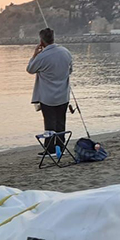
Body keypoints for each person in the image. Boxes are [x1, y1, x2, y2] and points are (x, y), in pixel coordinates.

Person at [27, 27, 73, 157]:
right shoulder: (65, 52)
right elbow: (70, 70)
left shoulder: (42, 56)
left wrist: (35, 54)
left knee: (49, 124)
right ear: (53, 38)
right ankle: (60, 147)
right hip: (63, 94)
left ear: (41, 41)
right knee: (60, 122)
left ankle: (51, 149)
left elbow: (30, 69)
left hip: (48, 96)